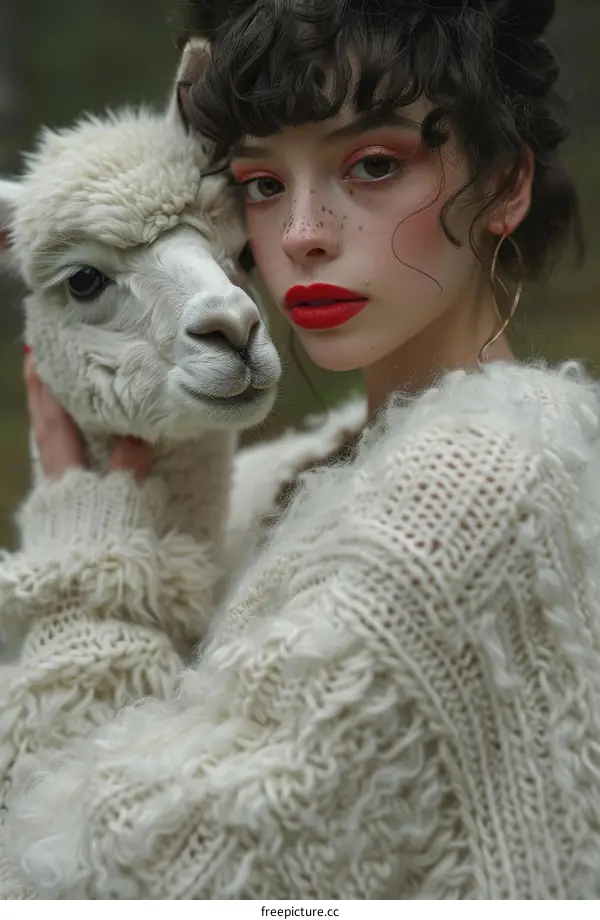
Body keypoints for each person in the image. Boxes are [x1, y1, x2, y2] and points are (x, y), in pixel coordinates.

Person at [1, 0, 600, 900]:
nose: (303, 233)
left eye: (372, 164)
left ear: (508, 184)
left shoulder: (476, 487)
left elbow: (96, 890)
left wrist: (88, 574)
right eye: (262, 183)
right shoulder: (285, 480)